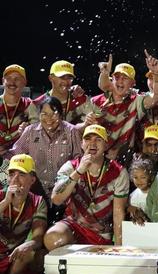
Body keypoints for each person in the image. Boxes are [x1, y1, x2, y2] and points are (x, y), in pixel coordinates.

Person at [44, 125, 129, 249]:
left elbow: (118, 212)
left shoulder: (118, 172)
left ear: (106, 145)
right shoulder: (71, 167)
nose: (92, 143)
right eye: (88, 139)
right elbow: (56, 198)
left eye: (98, 139)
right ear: (82, 144)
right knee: (53, 237)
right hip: (74, 226)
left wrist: (119, 247)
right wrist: (79, 171)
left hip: (101, 232)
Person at [10, 96, 83, 225]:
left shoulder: (71, 131)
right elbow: (14, 155)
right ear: (39, 115)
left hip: (62, 192)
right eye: (44, 114)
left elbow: (78, 161)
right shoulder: (30, 132)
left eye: (54, 114)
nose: (49, 119)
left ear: (61, 115)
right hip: (36, 191)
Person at [85, 51, 158, 163]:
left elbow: (157, 97)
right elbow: (80, 131)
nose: (120, 81)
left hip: (124, 160)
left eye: (125, 78)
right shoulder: (96, 101)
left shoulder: (136, 101)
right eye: (117, 77)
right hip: (96, 159)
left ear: (133, 83)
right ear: (112, 79)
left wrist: (156, 73)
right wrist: (85, 123)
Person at [0, 154, 47, 274]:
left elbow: (38, 237)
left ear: (32, 180)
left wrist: (30, 243)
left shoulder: (38, 201)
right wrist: (6, 201)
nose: (15, 179)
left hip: (10, 257)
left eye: (21, 174)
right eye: (12, 174)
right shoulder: (1, 196)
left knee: (37, 254)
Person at [32, 60, 93, 125]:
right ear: (51, 78)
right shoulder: (37, 104)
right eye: (62, 77)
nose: (66, 82)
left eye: (69, 78)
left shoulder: (82, 101)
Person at [0, 64, 39, 154]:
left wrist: (27, 134)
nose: (12, 82)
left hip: (19, 159)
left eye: (17, 79)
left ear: (24, 82)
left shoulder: (29, 105)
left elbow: (38, 138)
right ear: (3, 81)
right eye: (8, 78)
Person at [127, 158, 154, 225]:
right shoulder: (132, 196)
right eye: (136, 177)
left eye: (143, 177)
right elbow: (132, 212)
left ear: (150, 177)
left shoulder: (155, 193)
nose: (139, 181)